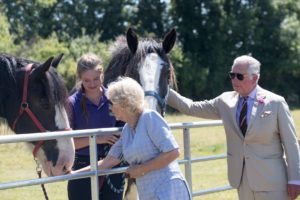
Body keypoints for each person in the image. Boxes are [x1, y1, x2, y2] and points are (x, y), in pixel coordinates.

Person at [167, 55, 300, 200]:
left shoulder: (276, 103)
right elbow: (191, 107)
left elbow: (291, 144)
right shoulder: (224, 101)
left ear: (255, 78)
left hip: (273, 183)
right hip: (242, 181)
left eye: (239, 76)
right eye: (232, 75)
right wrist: (159, 88)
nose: (234, 80)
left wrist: (295, 179)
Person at [73, 77, 191, 200]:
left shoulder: (149, 117)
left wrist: (141, 169)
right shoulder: (127, 130)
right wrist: (73, 174)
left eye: (111, 103)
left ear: (123, 103)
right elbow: (107, 162)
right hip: (149, 193)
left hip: (169, 190)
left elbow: (173, 152)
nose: (110, 107)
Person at [67, 53, 124, 200]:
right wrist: (97, 139)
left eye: (96, 79)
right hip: (82, 166)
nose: (92, 84)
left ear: (102, 75)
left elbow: (126, 129)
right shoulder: (71, 104)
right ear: (80, 78)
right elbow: (68, 144)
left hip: (112, 164)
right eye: (87, 80)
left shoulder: (115, 99)